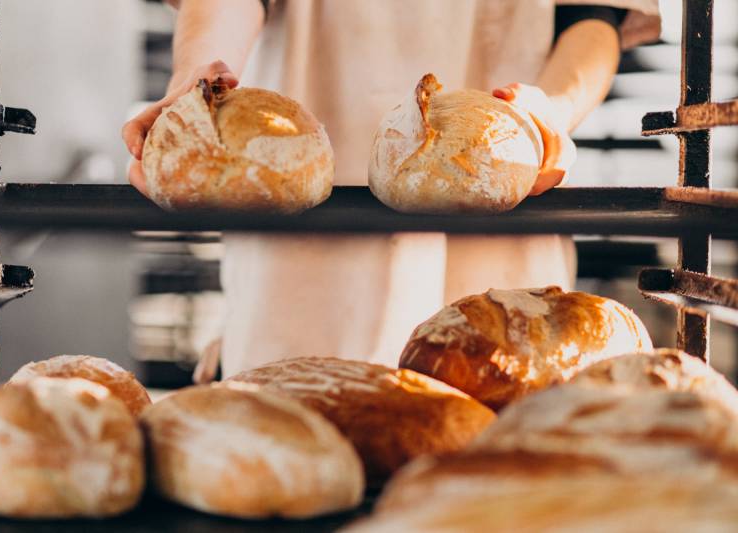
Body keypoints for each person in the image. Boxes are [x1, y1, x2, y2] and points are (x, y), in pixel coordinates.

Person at [123, 0, 660, 378]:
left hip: (502, 179)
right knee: (300, 437)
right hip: (299, 237)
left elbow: (593, 18)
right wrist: (197, 86)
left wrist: (551, 111)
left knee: (490, 437)